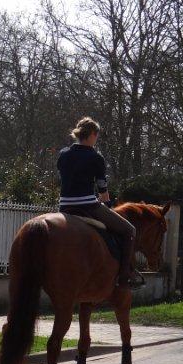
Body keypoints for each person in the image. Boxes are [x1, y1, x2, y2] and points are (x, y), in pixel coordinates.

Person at [57, 116, 140, 288]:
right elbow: (102, 188)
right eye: (97, 136)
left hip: (64, 206)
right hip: (88, 206)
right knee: (130, 230)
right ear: (92, 134)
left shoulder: (63, 154)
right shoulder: (95, 157)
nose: (96, 139)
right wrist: (108, 205)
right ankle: (124, 277)